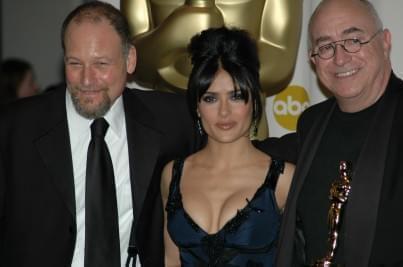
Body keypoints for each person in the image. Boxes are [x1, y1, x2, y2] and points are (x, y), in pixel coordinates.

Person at [0, 2, 198, 266]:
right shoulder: (15, 128)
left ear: (130, 60)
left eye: (101, 64)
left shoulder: (173, 120)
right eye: (75, 63)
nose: (86, 80)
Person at [275, 0, 403, 266]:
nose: (340, 57)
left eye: (354, 40)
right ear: (313, 59)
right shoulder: (312, 123)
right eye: (325, 47)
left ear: (385, 41)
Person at [161, 27, 295, 266]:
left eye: (235, 96)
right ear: (197, 107)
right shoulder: (172, 175)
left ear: (254, 101)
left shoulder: (283, 180)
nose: (224, 112)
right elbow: (171, 260)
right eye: (210, 98)